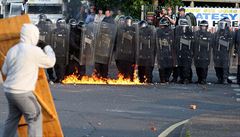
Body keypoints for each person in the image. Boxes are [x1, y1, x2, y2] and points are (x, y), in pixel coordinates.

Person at [2, 24, 56, 137]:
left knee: (12, 119)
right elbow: (50, 62)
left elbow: (4, 71)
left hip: (9, 91)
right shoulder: (34, 51)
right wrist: (47, 47)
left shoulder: (13, 49)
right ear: (33, 36)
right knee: (35, 117)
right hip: (23, 92)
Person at [94, 8, 116, 78]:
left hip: (107, 43)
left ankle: (104, 75)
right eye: (105, 13)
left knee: (105, 61)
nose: (106, 14)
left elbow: (113, 32)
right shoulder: (104, 19)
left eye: (107, 13)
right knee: (99, 60)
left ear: (109, 13)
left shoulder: (112, 21)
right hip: (101, 43)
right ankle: (98, 75)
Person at [213, 18, 234, 84]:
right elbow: (213, 42)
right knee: (217, 66)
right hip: (217, 52)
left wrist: (221, 41)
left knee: (225, 66)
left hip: (225, 52)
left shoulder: (230, 33)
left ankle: (225, 78)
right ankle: (219, 78)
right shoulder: (217, 33)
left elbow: (230, 43)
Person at [193, 20, 213, 84]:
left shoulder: (209, 34)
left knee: (204, 67)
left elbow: (211, 43)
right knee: (198, 67)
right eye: (202, 26)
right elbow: (194, 42)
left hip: (206, 53)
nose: (203, 28)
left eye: (204, 26)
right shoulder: (196, 33)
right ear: (200, 26)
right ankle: (199, 79)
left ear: (207, 27)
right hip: (197, 53)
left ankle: (203, 79)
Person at [156, 18, 175, 84]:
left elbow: (174, 42)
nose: (163, 27)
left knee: (169, 66)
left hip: (169, 51)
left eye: (164, 26)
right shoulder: (158, 31)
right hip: (162, 50)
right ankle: (163, 79)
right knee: (162, 66)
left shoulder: (171, 31)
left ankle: (165, 78)